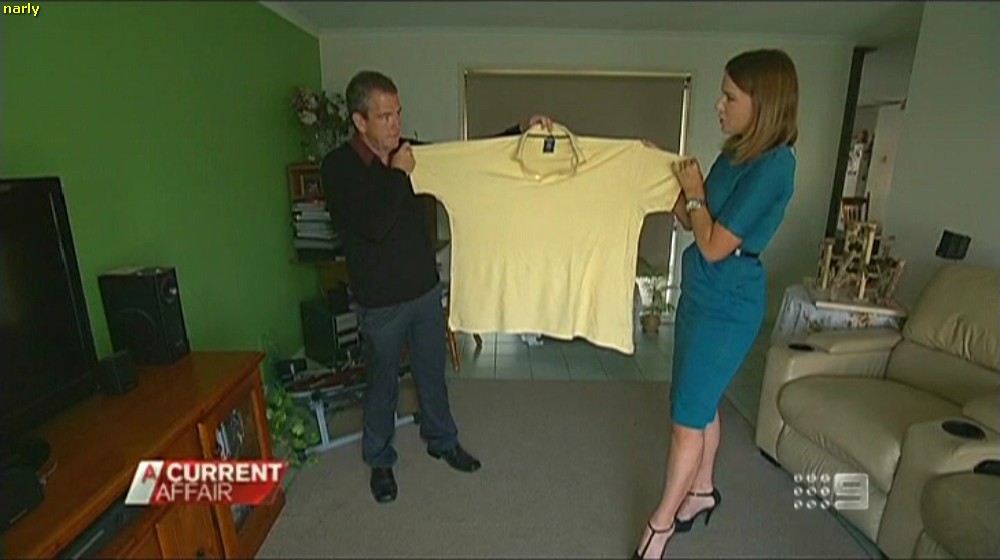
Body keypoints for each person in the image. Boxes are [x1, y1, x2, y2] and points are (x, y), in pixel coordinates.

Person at [321, 70, 552, 504]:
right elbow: (373, 225)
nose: (396, 124)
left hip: (425, 292)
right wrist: (398, 175)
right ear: (359, 121)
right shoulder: (338, 168)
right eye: (385, 116)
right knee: (383, 385)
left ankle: (442, 440)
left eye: (398, 113)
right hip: (380, 303)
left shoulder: (410, 153)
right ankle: (380, 460)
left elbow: (466, 159)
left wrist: (518, 132)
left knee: (432, 374)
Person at [633, 49, 799, 558]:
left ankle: (660, 525)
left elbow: (713, 244)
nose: (718, 106)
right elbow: (691, 218)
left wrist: (694, 191)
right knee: (698, 401)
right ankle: (701, 490)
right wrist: (663, 170)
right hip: (701, 292)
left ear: (763, 102)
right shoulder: (736, 154)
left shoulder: (777, 165)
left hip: (729, 303)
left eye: (729, 97)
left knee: (687, 416)